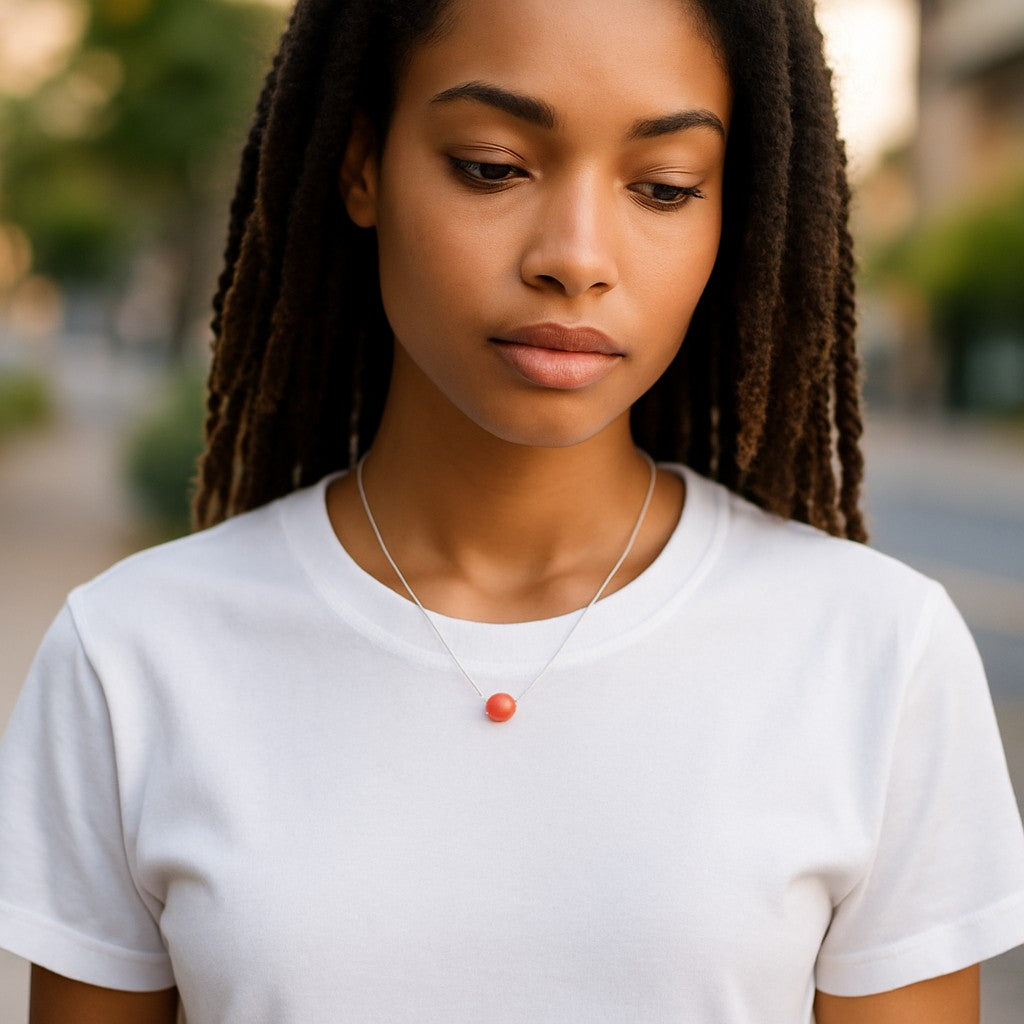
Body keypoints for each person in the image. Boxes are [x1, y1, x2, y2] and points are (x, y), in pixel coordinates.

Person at [1, 0, 1023, 1020]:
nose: (574, 256)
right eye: (493, 166)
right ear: (362, 165)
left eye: (663, 187)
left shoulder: (877, 654)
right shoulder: (133, 654)